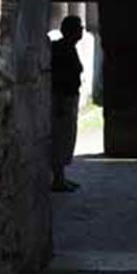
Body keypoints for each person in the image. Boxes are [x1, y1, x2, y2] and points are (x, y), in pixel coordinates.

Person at [50, 14, 84, 192]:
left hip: (69, 97)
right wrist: (60, 102)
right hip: (62, 99)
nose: (82, 31)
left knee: (67, 137)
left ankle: (61, 177)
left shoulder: (69, 47)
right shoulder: (63, 49)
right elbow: (60, 77)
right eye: (79, 28)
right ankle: (58, 179)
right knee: (60, 138)